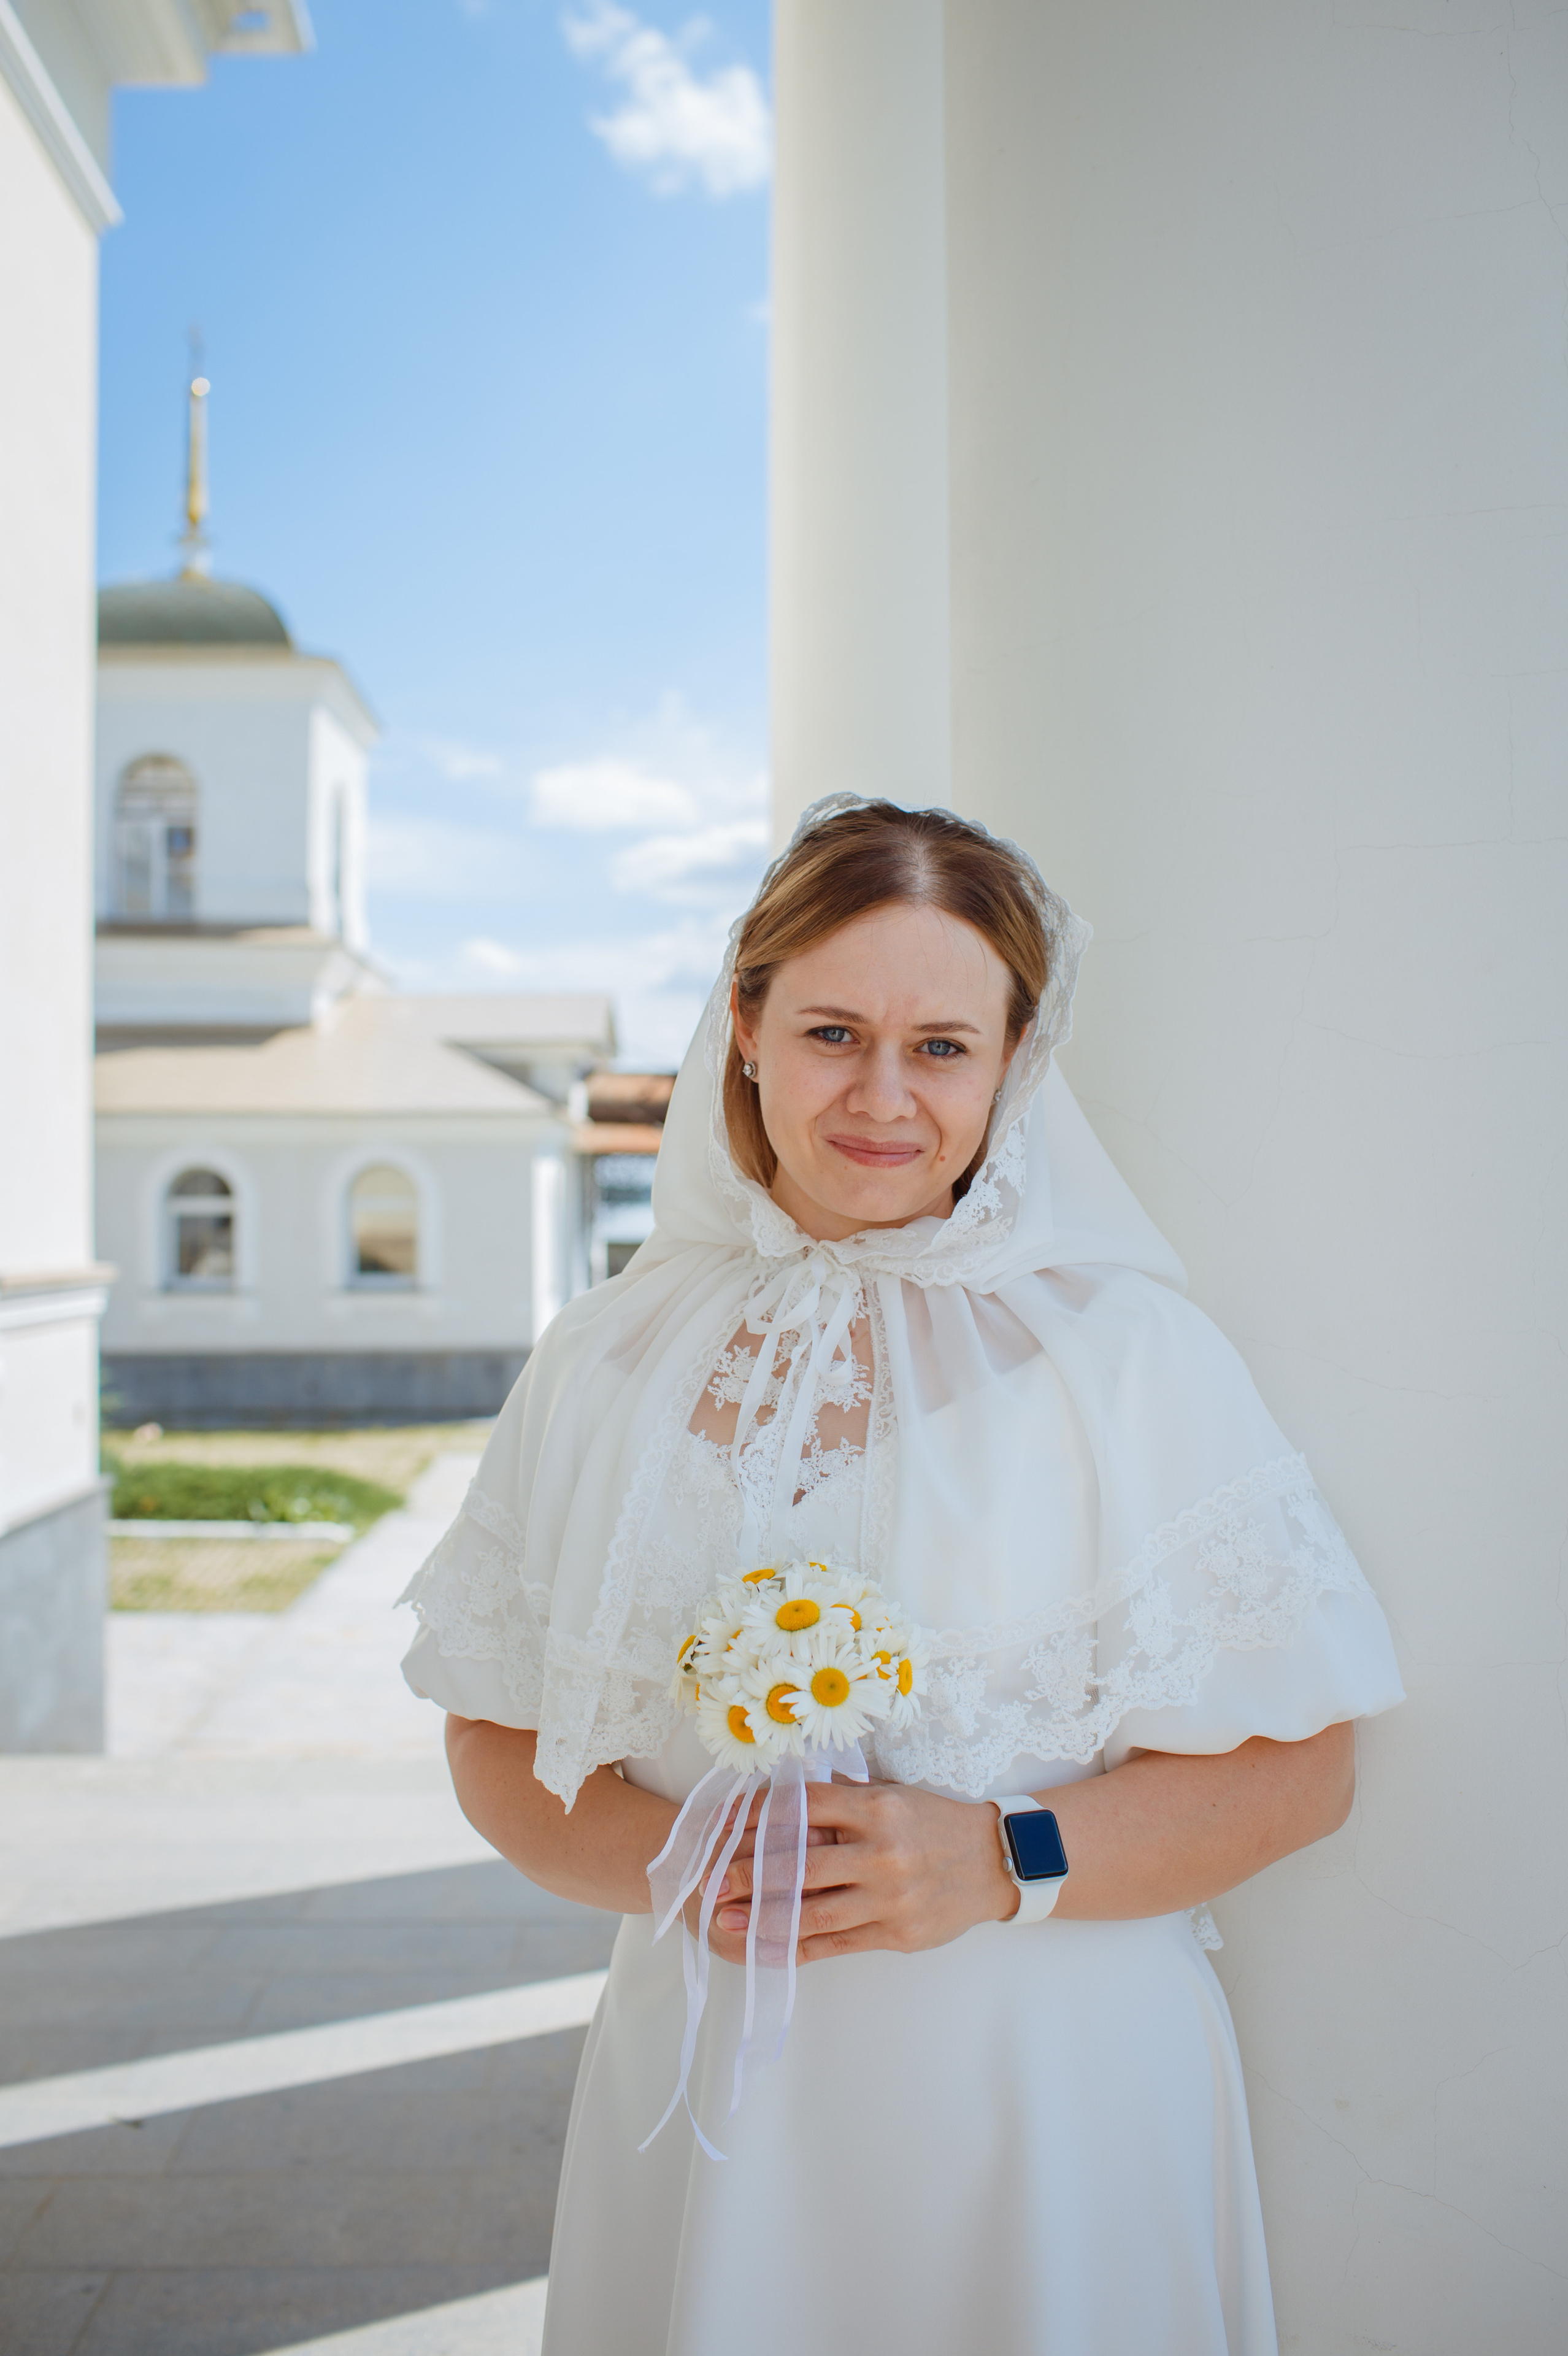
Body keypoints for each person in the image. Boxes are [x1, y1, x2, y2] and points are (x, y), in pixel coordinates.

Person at [401, 795, 1403, 2355]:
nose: (881, 1095)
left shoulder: (1124, 1358)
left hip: (1046, 2104)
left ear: (1012, 1063)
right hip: (710, 2096)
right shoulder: (601, 1359)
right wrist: (678, 1870)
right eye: (829, 1032)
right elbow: (491, 1736)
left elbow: (1304, 1768)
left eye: (941, 1045)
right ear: (741, 1028)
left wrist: (1003, 1858)